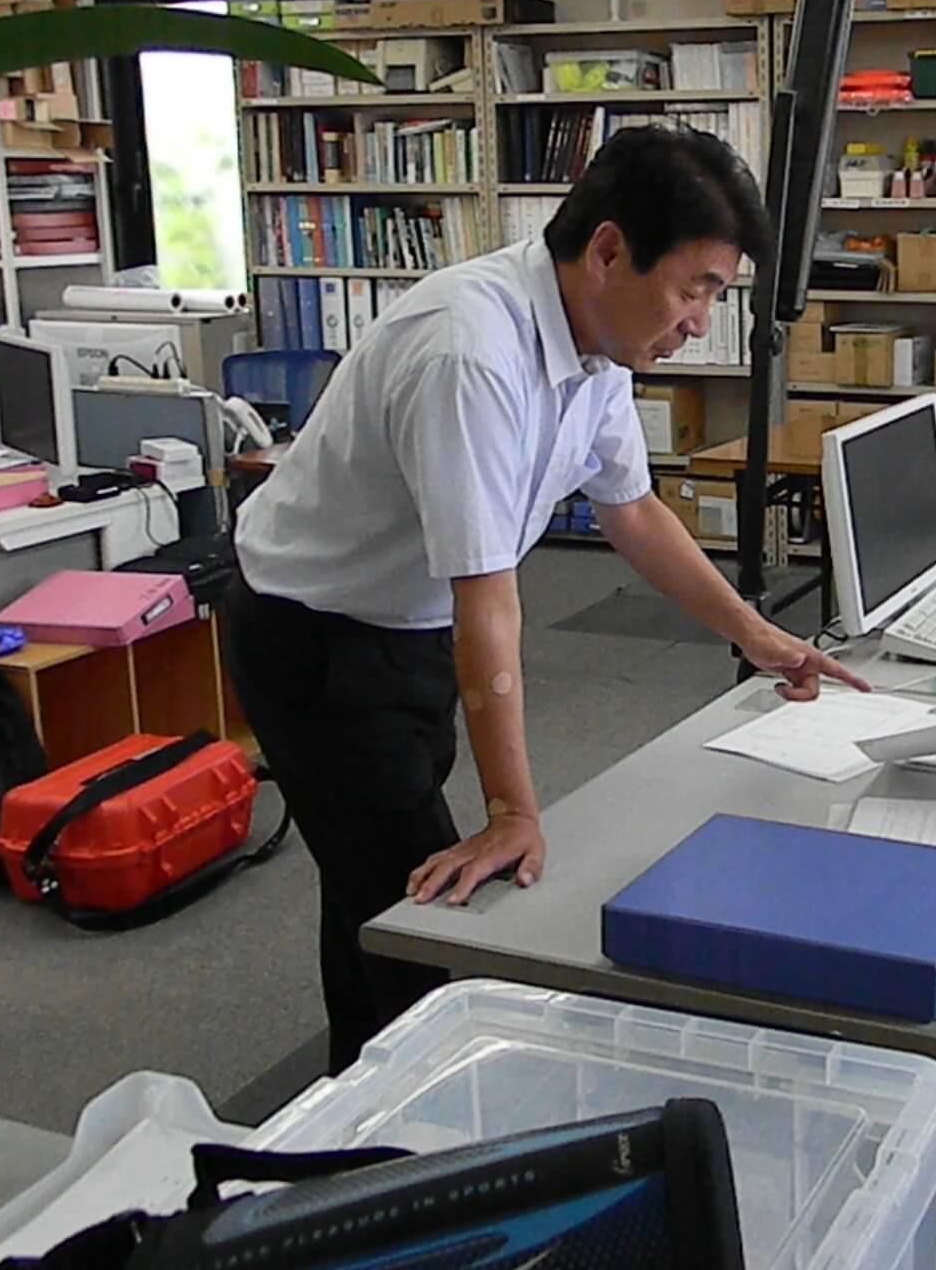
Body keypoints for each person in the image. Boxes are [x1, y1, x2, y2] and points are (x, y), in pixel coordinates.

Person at [224, 127, 867, 1073]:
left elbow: (632, 509)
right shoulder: (471, 352)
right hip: (317, 634)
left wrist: (756, 634)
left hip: (409, 624)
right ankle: (416, 1115)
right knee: (427, 920)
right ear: (607, 250)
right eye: (693, 290)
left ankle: (351, 1087)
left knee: (371, 883)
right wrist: (515, 812)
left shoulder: (595, 344)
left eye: (714, 296)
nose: (699, 323)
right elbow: (488, 600)